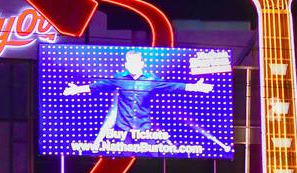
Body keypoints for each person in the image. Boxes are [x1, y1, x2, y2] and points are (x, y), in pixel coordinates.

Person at [63, 50, 212, 138]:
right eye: (130, 63)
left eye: (136, 62)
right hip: (122, 131)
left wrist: (196, 87)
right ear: (126, 65)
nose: (132, 65)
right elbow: (98, 86)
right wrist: (77, 89)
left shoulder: (152, 80)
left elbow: (173, 86)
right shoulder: (119, 78)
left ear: (142, 64)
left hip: (144, 130)